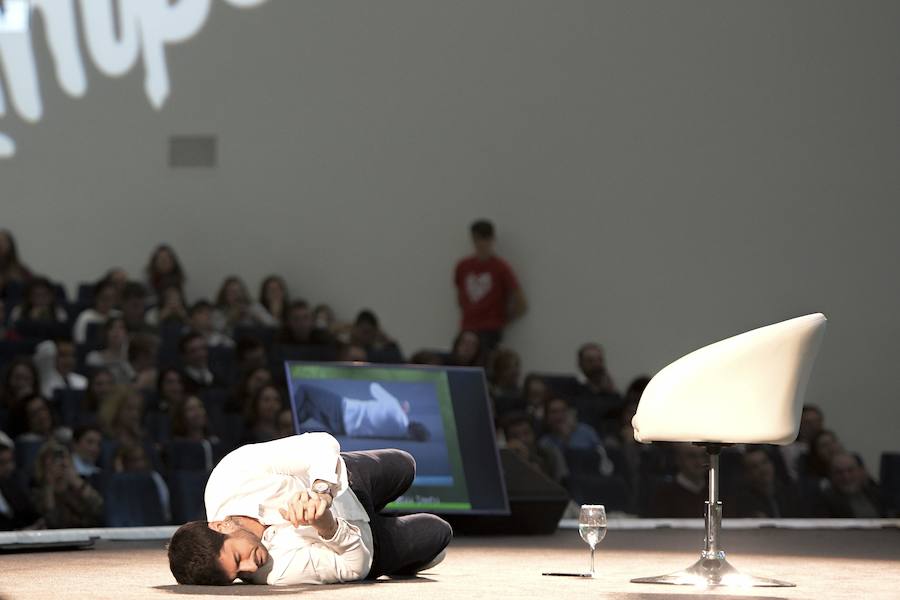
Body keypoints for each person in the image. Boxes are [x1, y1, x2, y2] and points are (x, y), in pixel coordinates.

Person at [166, 433, 452, 585]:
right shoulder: (271, 574)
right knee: (439, 532)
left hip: (346, 484)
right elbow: (355, 566)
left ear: (221, 525)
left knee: (405, 464)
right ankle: (403, 552)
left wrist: (321, 492)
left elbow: (319, 443)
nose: (250, 567)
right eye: (238, 574)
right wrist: (327, 525)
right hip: (365, 544)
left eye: (238, 557)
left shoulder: (230, 475)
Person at [453, 219, 526, 351]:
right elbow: (460, 295)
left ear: (492, 239)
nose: (481, 244)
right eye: (477, 239)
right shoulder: (463, 266)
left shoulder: (500, 267)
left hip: (490, 329)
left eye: (485, 239)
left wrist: (502, 320)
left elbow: (520, 301)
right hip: (467, 327)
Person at [296, 382, 428, 441]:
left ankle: (288, 421)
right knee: (308, 409)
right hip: (344, 429)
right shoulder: (399, 435)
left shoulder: (395, 408)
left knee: (304, 389)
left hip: (344, 410)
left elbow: (374, 388)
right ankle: (293, 426)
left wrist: (399, 404)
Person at [31, 440, 104, 529]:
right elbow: (52, 522)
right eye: (54, 459)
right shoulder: (37, 491)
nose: (62, 463)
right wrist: (49, 484)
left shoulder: (81, 484)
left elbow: (99, 509)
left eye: (64, 458)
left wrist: (75, 481)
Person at [732, 446, 804, 518]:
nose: (763, 469)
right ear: (747, 474)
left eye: (764, 462)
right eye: (755, 467)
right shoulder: (744, 502)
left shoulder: (791, 493)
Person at [573, 343, 624, 435]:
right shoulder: (573, 390)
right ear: (580, 364)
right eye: (590, 361)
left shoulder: (612, 394)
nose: (596, 365)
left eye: (599, 360)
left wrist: (611, 394)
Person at [502, 412, 567, 483]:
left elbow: (561, 486)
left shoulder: (549, 454)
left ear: (534, 433)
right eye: (515, 436)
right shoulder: (503, 461)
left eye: (526, 433)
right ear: (507, 440)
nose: (522, 439)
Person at [647, 444, 708, 518]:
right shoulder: (665, 494)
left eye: (703, 456)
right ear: (678, 459)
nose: (699, 461)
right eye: (692, 456)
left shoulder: (714, 491)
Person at [816, 452, 884, 518]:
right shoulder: (825, 500)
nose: (846, 477)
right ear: (831, 475)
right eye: (839, 472)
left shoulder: (875, 493)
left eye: (850, 470)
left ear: (861, 471)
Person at [0, 432, 43, 530]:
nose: (9, 467)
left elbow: (33, 516)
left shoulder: (12, 486)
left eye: (10, 461)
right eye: (2, 462)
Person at [85, 317, 134, 384]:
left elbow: (134, 379)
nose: (116, 331)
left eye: (121, 327)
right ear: (105, 333)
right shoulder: (94, 357)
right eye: (111, 328)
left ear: (127, 334)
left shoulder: (133, 357)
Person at [72, 278, 121, 344]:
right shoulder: (85, 317)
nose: (107, 302)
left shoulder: (118, 316)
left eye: (111, 299)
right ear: (96, 297)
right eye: (104, 298)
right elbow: (80, 343)